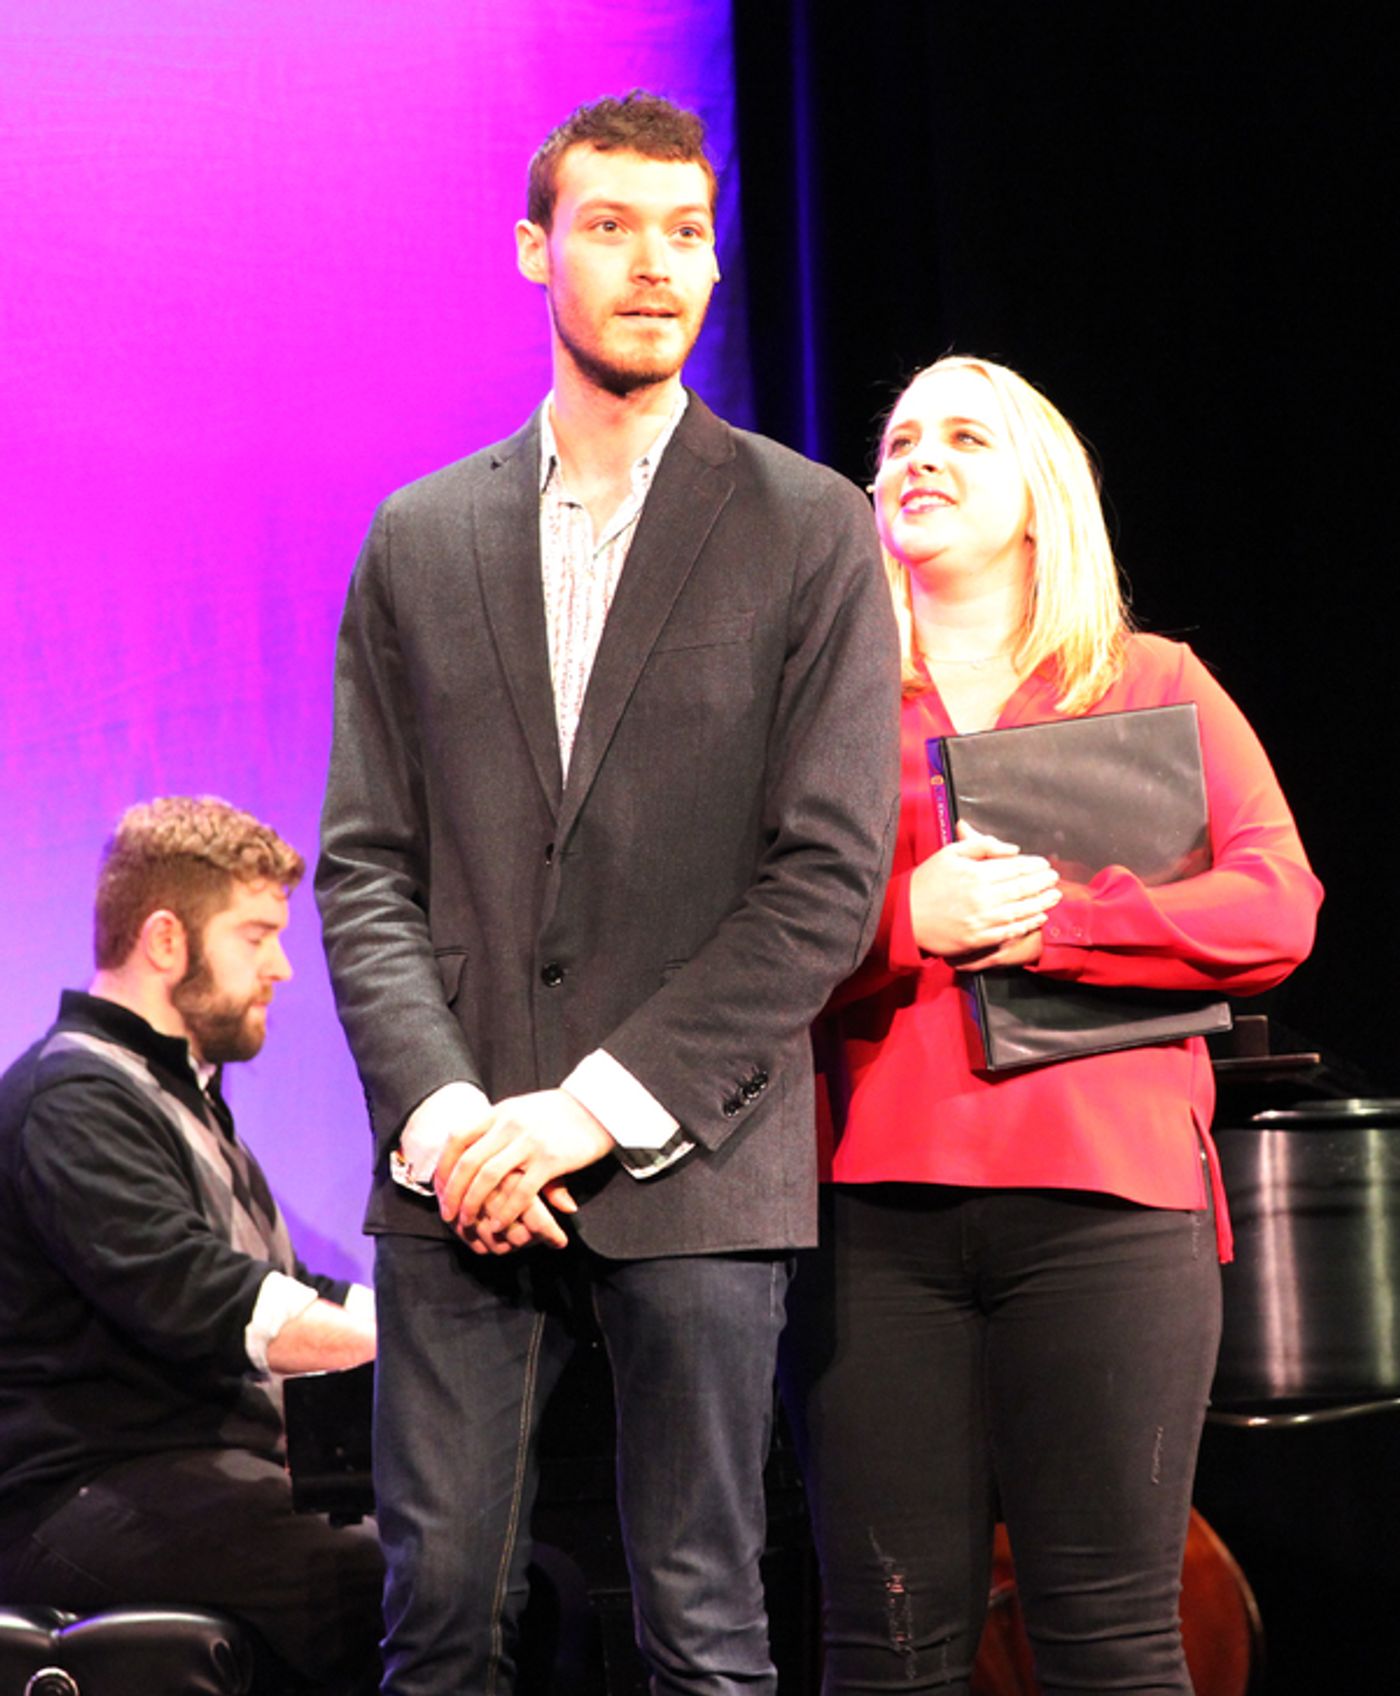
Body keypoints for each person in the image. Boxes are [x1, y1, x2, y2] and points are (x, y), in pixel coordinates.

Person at [315, 91, 900, 1696]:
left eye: (690, 233)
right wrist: (447, 1124)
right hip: (458, 1181)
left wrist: (585, 1108)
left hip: (693, 1158)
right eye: (614, 226)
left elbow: (827, 880)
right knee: (436, 1625)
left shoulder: (808, 526)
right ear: (533, 250)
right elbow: (365, 867)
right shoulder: (420, 537)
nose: (659, 266)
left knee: (702, 1629)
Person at [778, 355, 1323, 1695]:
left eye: (965, 436)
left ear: (1042, 495)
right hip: (866, 1213)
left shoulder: (1145, 680)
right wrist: (911, 921)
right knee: (886, 1645)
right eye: (900, 438)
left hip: (1112, 1209)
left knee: (1112, 1639)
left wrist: (1062, 924)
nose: (919, 457)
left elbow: (1278, 904)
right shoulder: (813, 705)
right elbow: (733, 943)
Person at [0, 796, 383, 1696]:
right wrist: (420, 1348)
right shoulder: (74, 1101)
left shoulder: (179, 1099)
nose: (283, 967)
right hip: (83, 1496)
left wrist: (422, 1318)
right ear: (166, 940)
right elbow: (203, 1293)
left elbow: (286, 1284)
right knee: (406, 1587)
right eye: (256, 935)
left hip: (192, 1482)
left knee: (506, 1572)